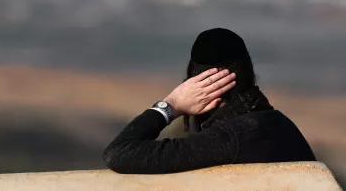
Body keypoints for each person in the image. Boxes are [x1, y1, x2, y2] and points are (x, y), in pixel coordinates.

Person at [103, 28, 316, 174]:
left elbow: (119, 154)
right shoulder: (278, 124)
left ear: (199, 86)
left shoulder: (230, 138)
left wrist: (171, 105)